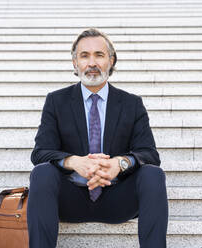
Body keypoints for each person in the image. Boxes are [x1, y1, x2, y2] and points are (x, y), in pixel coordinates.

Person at [27, 28, 168, 248]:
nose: (92, 62)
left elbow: (149, 154)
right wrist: (74, 162)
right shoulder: (56, 101)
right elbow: (40, 152)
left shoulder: (132, 104)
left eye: (99, 55)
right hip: (69, 199)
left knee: (153, 174)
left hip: (117, 199)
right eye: (84, 55)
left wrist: (119, 163)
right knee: (41, 172)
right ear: (75, 63)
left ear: (111, 61)